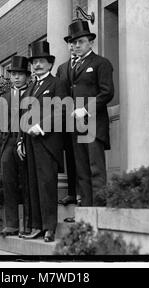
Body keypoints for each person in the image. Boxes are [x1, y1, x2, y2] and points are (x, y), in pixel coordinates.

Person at [16, 41, 65, 242]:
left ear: (50, 64)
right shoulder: (30, 88)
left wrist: (42, 126)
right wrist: (20, 140)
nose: (37, 65)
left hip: (48, 141)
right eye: (34, 62)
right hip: (29, 143)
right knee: (33, 185)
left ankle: (49, 228)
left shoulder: (57, 83)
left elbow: (63, 109)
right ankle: (36, 226)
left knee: (46, 184)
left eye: (41, 62)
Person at [65, 19, 114, 207]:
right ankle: (86, 214)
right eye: (74, 42)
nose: (77, 45)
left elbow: (107, 92)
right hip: (76, 126)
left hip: (93, 124)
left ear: (90, 42)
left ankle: (100, 213)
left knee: (96, 170)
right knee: (82, 171)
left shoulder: (101, 63)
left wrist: (85, 109)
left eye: (81, 41)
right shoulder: (71, 67)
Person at [0, 55, 31, 237]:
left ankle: (27, 224)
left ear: (27, 76)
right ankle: (11, 224)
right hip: (9, 142)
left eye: (20, 74)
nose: (16, 77)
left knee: (26, 182)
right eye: (13, 74)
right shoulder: (5, 97)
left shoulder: (33, 93)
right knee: (8, 182)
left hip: (27, 141)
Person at [55, 36, 79, 210]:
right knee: (70, 156)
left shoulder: (90, 63)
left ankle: (84, 193)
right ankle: (71, 192)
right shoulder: (62, 68)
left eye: (76, 43)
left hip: (85, 117)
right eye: (70, 43)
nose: (72, 46)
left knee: (84, 158)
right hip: (66, 120)